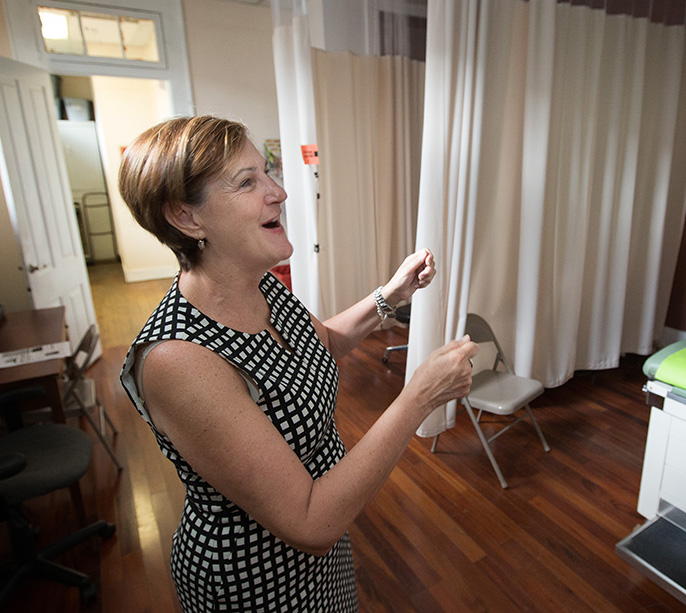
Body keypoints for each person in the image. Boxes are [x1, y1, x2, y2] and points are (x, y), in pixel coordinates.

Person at [118, 115, 478, 612]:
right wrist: (419, 396)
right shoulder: (178, 360)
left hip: (325, 555)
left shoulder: (260, 282)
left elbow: (322, 343)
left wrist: (390, 295)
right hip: (254, 579)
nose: (279, 191)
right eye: (247, 182)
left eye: (266, 172)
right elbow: (311, 522)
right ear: (186, 217)